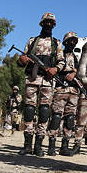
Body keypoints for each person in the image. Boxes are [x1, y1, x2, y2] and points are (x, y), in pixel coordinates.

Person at [17, 12, 65, 156]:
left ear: (54, 25)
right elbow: (21, 59)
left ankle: (38, 145)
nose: (48, 25)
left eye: (51, 23)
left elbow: (62, 62)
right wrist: (22, 60)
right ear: (42, 23)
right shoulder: (33, 41)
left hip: (48, 81)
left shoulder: (56, 43)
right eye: (46, 22)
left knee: (44, 112)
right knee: (29, 110)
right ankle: (27, 144)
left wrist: (55, 69)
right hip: (32, 79)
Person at [46, 32, 81, 156]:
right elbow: (54, 69)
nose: (72, 43)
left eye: (74, 41)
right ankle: (51, 145)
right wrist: (69, 73)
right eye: (70, 41)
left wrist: (75, 74)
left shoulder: (77, 58)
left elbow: (81, 73)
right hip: (60, 90)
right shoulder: (59, 56)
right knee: (56, 117)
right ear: (65, 42)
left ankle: (65, 146)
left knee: (70, 119)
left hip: (73, 92)